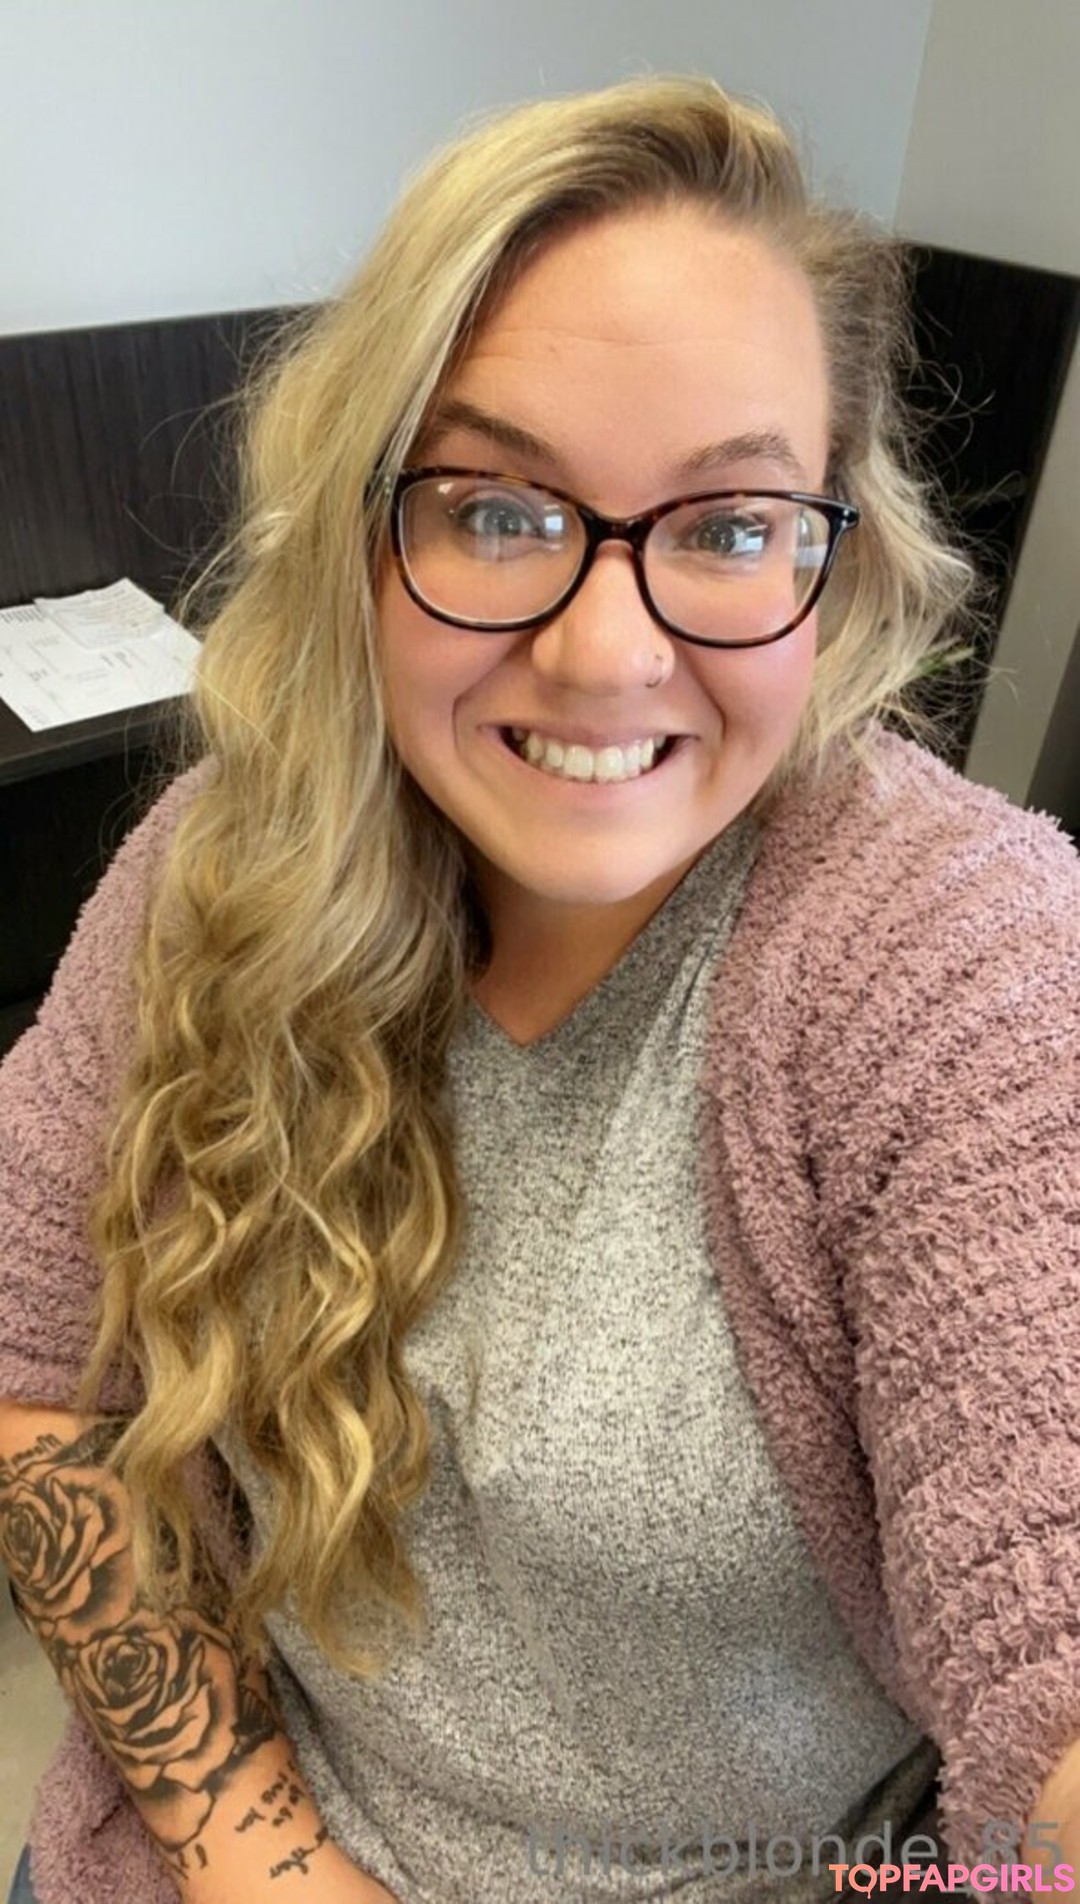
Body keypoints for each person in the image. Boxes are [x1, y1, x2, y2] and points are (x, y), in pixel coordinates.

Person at [1, 73, 1078, 1904]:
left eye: (726, 527)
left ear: (835, 563)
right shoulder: (218, 867)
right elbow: (46, 1370)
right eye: (498, 511)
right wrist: (263, 1859)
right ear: (367, 533)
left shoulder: (961, 956)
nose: (602, 653)